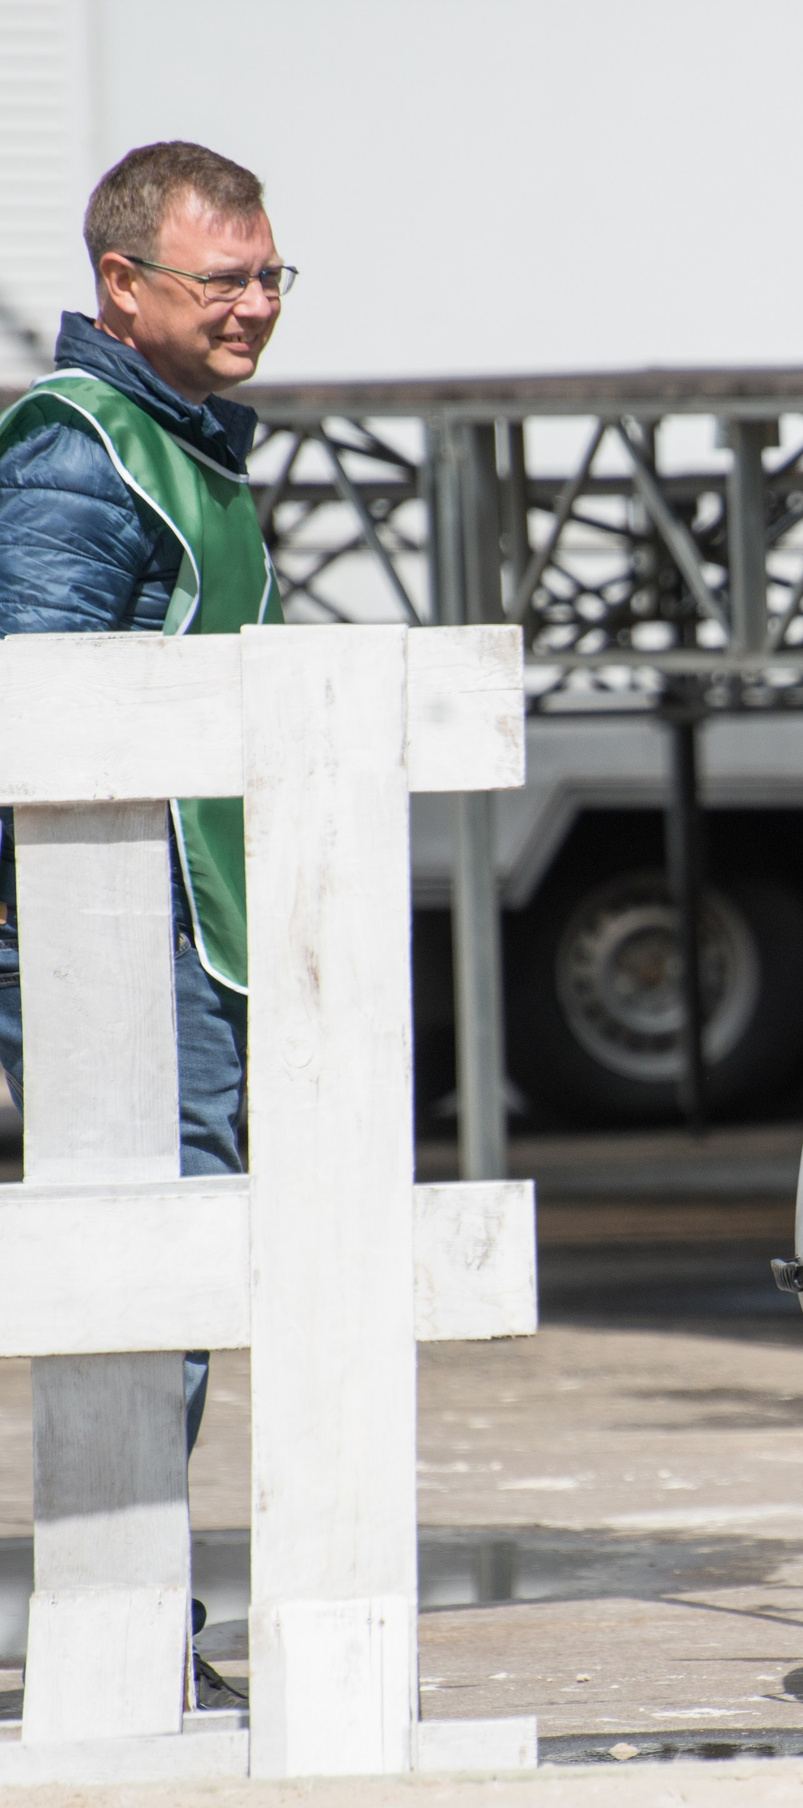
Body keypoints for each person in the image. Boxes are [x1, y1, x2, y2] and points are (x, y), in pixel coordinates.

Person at [0, 139, 289, 1707]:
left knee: (173, 1278)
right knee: (145, 1274)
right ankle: (126, 1632)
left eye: (270, 276)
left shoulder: (182, 445)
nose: (256, 304)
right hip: (116, 943)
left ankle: (140, 1622)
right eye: (222, 279)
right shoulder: (84, 452)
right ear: (123, 285)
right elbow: (32, 726)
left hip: (188, 934)